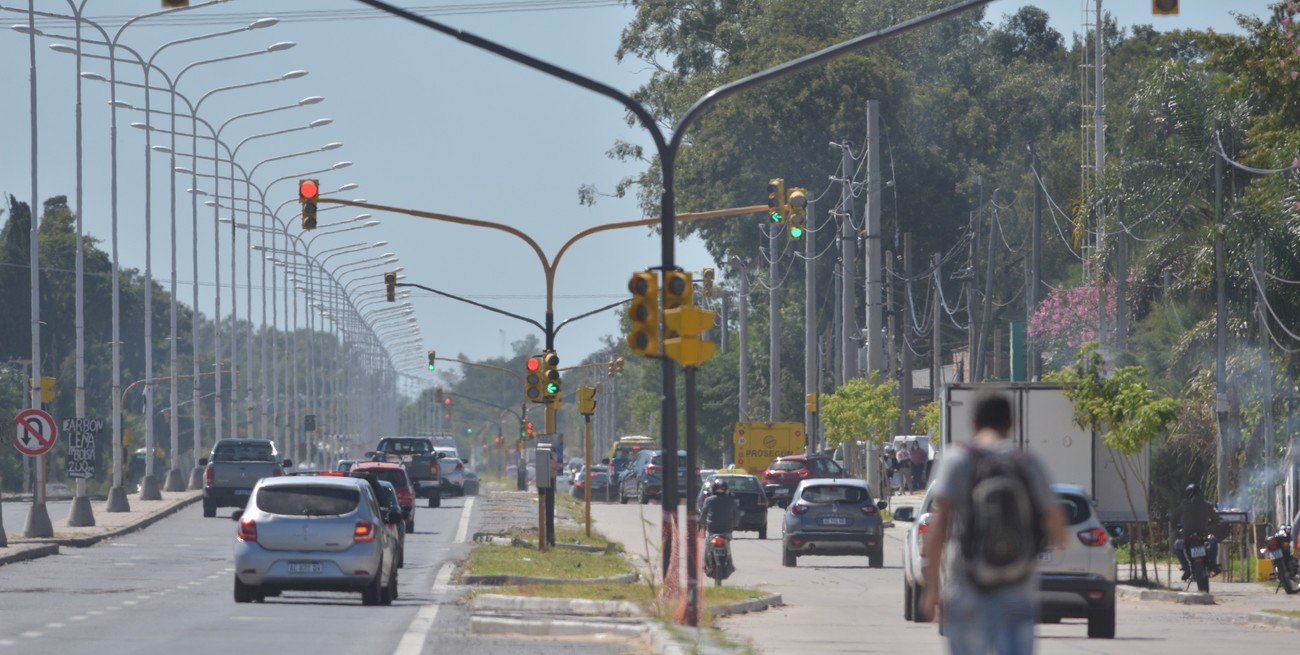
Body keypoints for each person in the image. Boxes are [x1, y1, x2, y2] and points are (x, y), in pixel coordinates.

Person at [921, 392, 1066, 654]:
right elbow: (1058, 530)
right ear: (1011, 424)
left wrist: (932, 588)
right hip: (1017, 590)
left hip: (966, 589)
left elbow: (939, 527)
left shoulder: (958, 460)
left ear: (973, 423)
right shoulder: (1028, 464)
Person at [1171, 483, 1222, 579]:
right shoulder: (1208, 505)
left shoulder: (1183, 505)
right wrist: (1209, 524)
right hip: (1202, 537)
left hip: (1187, 538)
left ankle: (1186, 569)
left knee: (1177, 546)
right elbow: (1216, 519)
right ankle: (1213, 565)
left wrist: (1175, 528)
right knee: (1214, 542)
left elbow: (1173, 518)